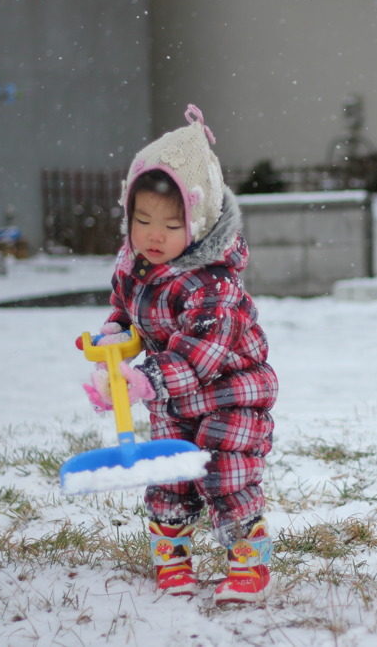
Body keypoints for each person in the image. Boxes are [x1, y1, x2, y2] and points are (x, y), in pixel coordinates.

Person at [82, 105, 278, 604]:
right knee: (169, 478)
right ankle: (172, 557)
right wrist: (115, 336)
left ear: (200, 223)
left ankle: (248, 563)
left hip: (230, 393)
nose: (152, 235)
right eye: (141, 219)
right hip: (170, 394)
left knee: (226, 476)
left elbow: (198, 356)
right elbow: (124, 308)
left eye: (170, 225)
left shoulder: (215, 284)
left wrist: (143, 379)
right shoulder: (135, 264)